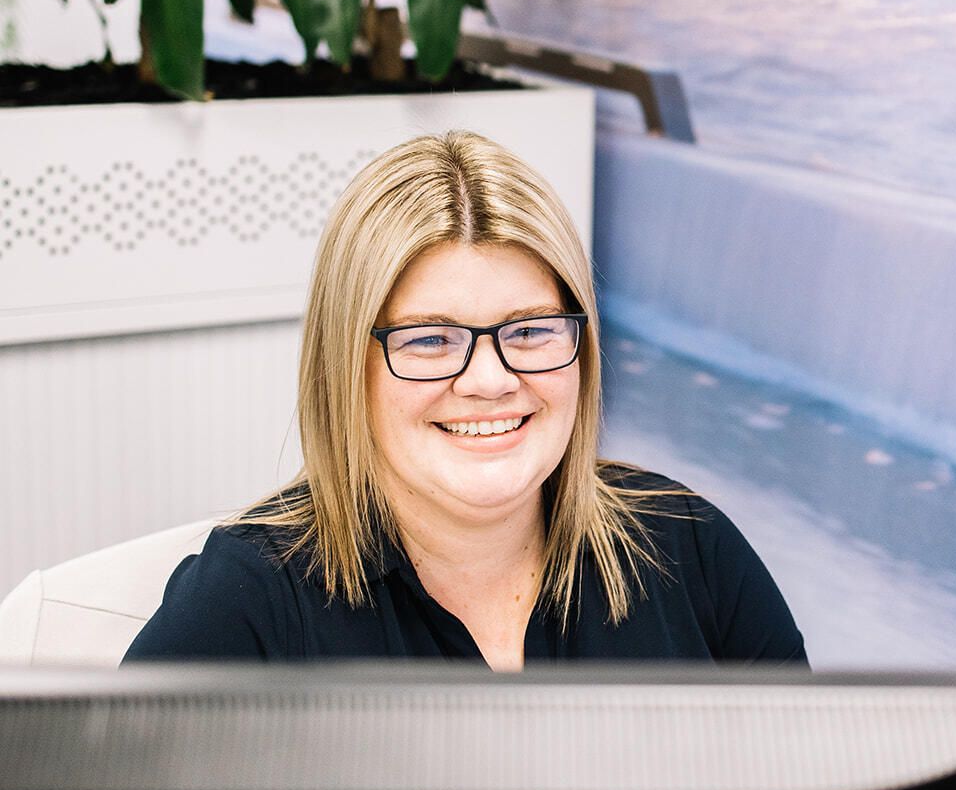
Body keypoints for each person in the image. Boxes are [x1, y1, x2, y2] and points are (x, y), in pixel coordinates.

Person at [125, 130, 806, 668]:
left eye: (531, 330)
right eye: (429, 340)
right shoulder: (245, 600)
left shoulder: (690, 551)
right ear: (344, 364)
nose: (488, 379)